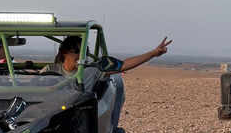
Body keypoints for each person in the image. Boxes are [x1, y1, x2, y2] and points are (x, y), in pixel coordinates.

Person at [40, 35, 172, 91]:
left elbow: (124, 65)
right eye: (77, 51)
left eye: (84, 52)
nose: (82, 56)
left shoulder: (92, 71)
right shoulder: (48, 71)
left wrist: (153, 53)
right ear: (64, 52)